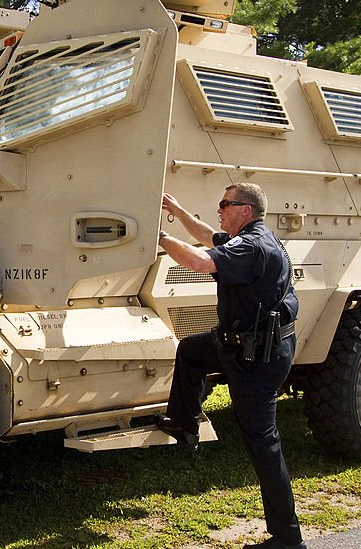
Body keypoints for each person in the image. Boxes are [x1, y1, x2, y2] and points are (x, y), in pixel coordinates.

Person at [156, 183, 305, 549]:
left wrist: (158, 237)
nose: (219, 209)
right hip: (240, 344)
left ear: (246, 210)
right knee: (191, 351)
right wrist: (176, 210)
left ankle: (288, 539)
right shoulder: (250, 238)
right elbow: (209, 237)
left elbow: (199, 260)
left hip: (258, 357)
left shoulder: (253, 245)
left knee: (263, 444)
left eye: (226, 204)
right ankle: (184, 424)